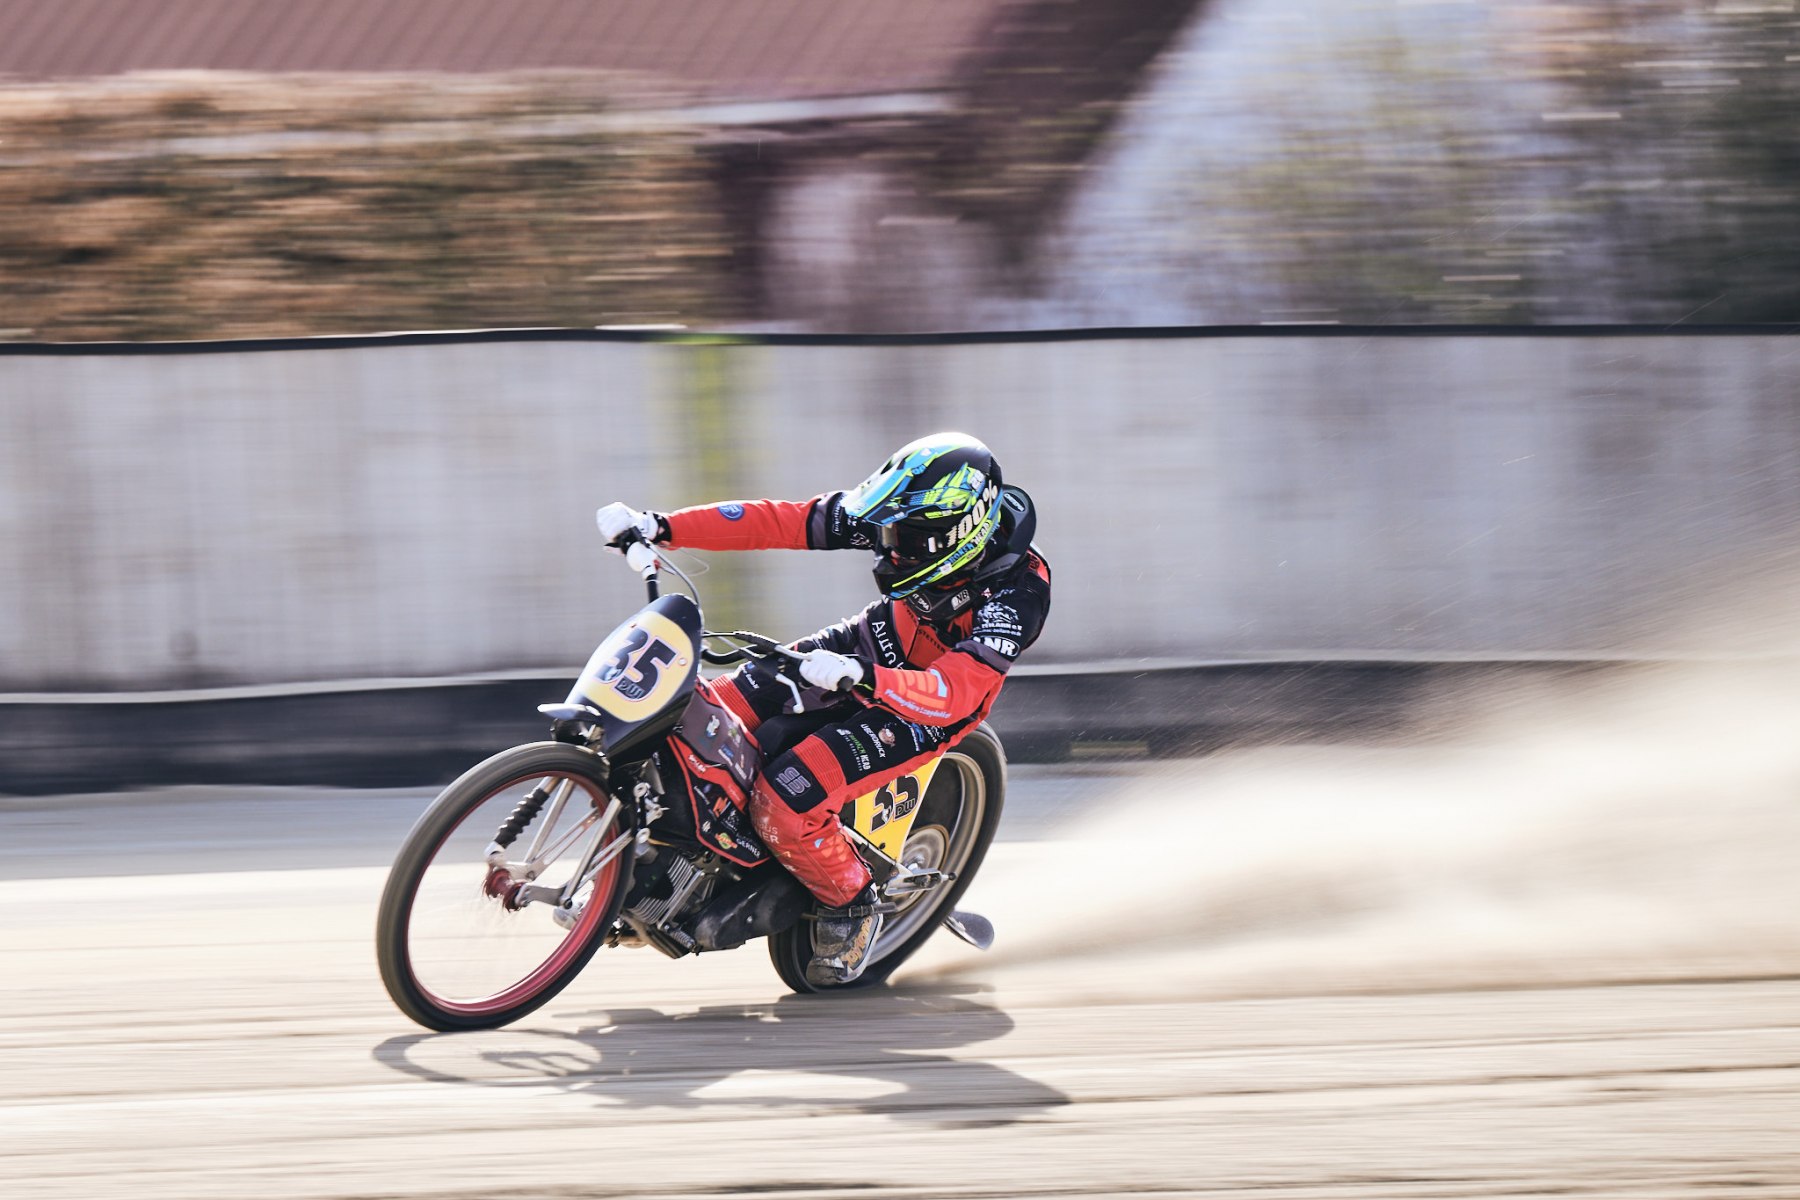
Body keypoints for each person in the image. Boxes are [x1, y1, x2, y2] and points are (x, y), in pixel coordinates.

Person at [596, 432, 1051, 985]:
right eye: (884, 534)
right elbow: (780, 521)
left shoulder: (1018, 592)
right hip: (865, 645)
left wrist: (868, 677)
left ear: (959, 532)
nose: (888, 549)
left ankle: (854, 902)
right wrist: (661, 526)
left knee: (785, 799)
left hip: (921, 711)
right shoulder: (899, 515)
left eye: (904, 540)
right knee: (702, 716)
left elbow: (956, 690)